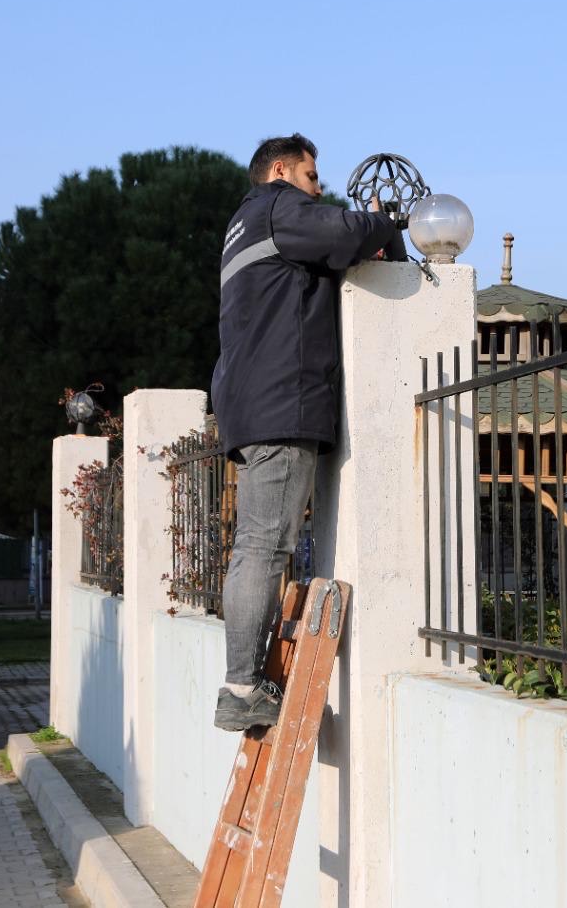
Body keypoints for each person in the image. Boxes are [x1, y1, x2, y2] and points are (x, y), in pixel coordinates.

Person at [209, 133, 407, 732]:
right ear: (280, 171)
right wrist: (388, 225)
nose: (320, 189)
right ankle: (242, 689)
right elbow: (344, 233)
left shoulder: (240, 227)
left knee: (257, 544)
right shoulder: (277, 206)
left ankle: (246, 680)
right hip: (283, 402)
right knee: (264, 546)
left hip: (246, 405)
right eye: (313, 176)